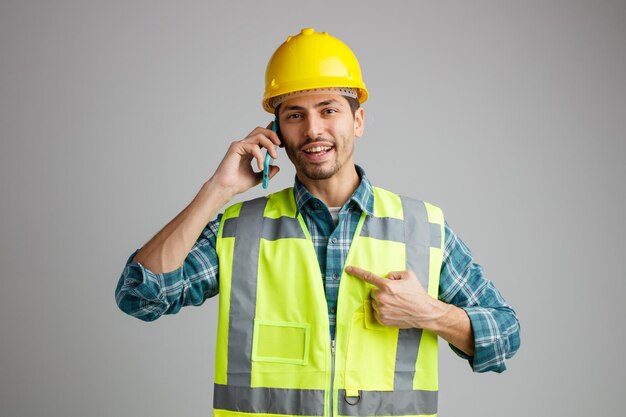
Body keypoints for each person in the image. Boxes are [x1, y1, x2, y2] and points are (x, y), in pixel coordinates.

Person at [115, 28, 520, 417]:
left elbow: (504, 337)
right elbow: (141, 295)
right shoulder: (240, 230)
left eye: (329, 110)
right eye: (294, 115)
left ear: (357, 121)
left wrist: (429, 313)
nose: (313, 130)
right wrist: (217, 190)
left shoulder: (422, 227)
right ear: (276, 131)